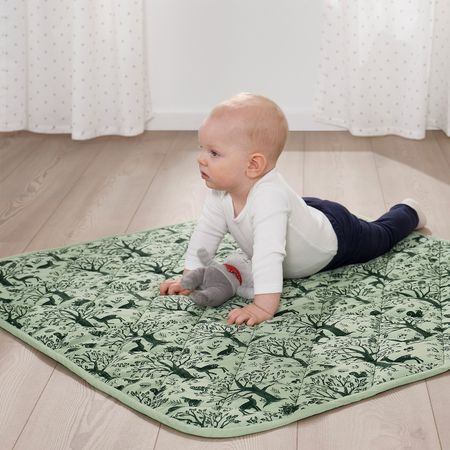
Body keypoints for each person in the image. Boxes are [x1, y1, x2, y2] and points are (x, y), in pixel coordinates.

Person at [159, 93, 426, 326]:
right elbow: (205, 234)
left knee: (381, 236)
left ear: (253, 165)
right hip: (302, 210)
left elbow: (268, 256)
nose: (201, 158)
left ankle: (408, 211)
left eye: (214, 153)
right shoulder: (221, 191)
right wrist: (189, 278)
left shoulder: (269, 199)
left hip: (337, 235)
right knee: (289, 211)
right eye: (202, 148)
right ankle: (302, 210)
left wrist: (262, 307)